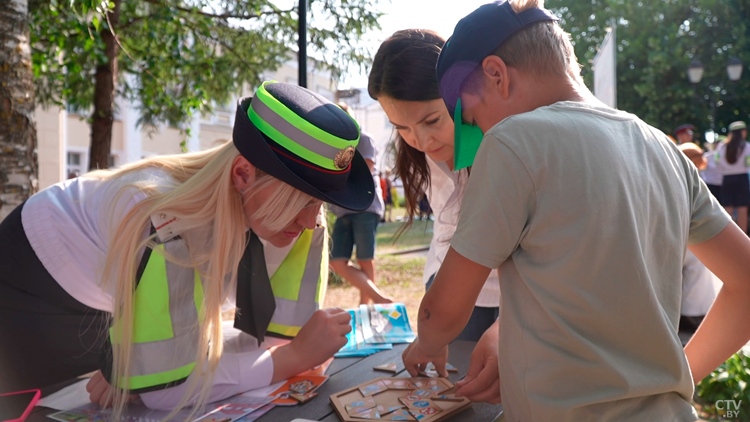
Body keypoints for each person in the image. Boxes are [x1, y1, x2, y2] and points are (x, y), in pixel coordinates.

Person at [402, 2, 750, 421]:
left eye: (472, 118)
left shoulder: (514, 141)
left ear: (497, 74)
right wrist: (679, 379)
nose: (479, 136)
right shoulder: (663, 149)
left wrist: (425, 344)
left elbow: (441, 313)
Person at [0, 82, 374, 418]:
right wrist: (291, 358)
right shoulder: (167, 220)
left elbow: (273, 341)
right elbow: (169, 391)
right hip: (30, 301)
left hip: (112, 306)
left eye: (321, 203)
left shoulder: (302, 222)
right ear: (242, 174)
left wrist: (146, 368)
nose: (312, 221)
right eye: (302, 202)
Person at [369, 29, 502, 401]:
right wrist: (434, 329)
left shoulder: (505, 145)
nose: (423, 143)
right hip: (456, 291)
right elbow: (447, 234)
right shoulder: (421, 154)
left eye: (431, 121)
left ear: (460, 93)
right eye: (402, 128)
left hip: (519, 297)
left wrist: (510, 325)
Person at [328, 103, 391, 305]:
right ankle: (378, 298)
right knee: (336, 261)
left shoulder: (364, 139)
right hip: (342, 210)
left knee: (364, 260)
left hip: (366, 206)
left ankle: (365, 305)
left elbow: (364, 171)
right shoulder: (331, 145)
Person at [676, 143, 722, 337]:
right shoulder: (687, 179)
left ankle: (691, 312)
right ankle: (692, 313)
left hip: (678, 237)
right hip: (681, 239)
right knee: (700, 260)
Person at [715, 121, 749, 233]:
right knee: (742, 209)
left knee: (727, 209)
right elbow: (748, 164)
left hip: (727, 179)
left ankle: (728, 235)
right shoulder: (747, 146)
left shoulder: (721, 146)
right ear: (742, 132)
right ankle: (744, 238)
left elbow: (717, 162)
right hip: (742, 179)